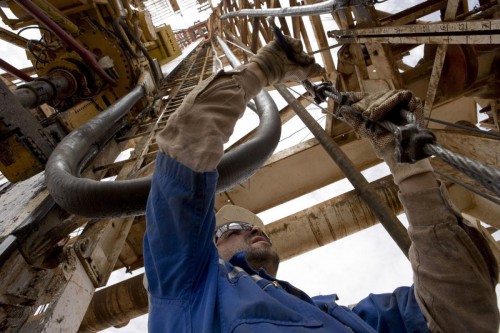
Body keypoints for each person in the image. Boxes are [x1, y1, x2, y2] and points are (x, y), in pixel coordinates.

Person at [144, 36, 499, 332]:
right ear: (206, 246)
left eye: (254, 227)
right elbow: (183, 148)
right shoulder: (183, 286)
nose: (255, 231)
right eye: (235, 228)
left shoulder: (340, 316)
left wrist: (411, 171)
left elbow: (459, 314)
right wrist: (261, 72)